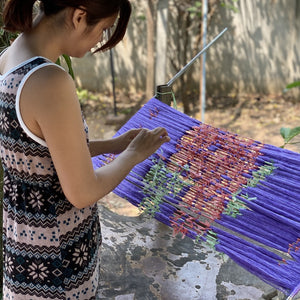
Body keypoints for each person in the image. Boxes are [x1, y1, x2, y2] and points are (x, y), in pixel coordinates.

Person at [0, 0, 170, 299]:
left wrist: (114, 145)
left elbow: (41, 154)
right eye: (103, 29)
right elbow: (81, 192)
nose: (99, 41)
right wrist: (133, 154)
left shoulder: (9, 58)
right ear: (79, 17)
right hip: (57, 262)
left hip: (23, 248)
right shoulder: (49, 80)